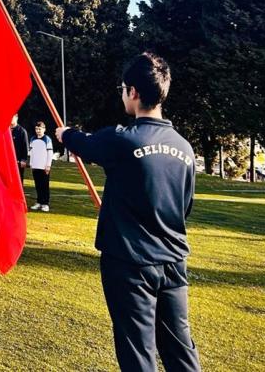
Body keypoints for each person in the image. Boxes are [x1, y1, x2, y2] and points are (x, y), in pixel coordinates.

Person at [56, 53, 200, 372]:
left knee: (138, 352)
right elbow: (184, 207)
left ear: (133, 92)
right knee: (181, 351)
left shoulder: (122, 139)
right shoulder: (185, 148)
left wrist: (64, 134)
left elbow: (85, 144)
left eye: (123, 88)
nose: (123, 93)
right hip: (174, 262)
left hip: (130, 266)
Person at [29, 120, 54, 212]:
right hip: (36, 166)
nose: (38, 131)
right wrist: (31, 164)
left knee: (44, 185)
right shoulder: (32, 139)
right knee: (38, 185)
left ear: (44, 129)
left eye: (39, 129)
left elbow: (50, 153)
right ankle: (39, 202)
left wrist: (48, 165)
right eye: (36, 129)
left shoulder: (47, 139)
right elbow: (31, 153)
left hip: (44, 167)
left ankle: (45, 203)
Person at [11, 113, 30, 183]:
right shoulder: (6, 130)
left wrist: (24, 159)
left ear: (16, 118)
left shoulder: (22, 131)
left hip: (18, 161)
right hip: (8, 161)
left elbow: (25, 146)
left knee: (18, 180)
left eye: (12, 117)